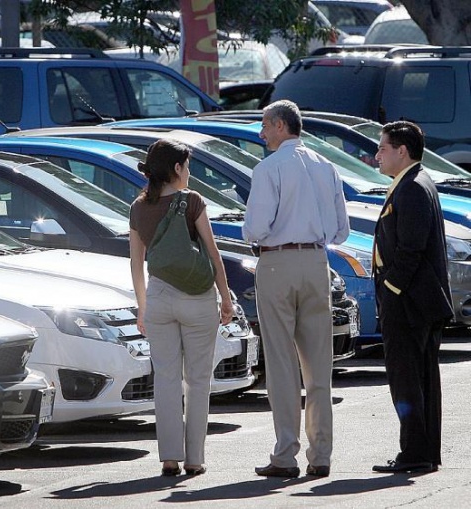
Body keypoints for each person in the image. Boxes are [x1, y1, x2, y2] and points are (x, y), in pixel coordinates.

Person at [243, 100, 350, 478]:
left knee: (282, 363)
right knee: (319, 365)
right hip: (317, 262)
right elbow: (342, 230)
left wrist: (260, 235)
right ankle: (320, 455)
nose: (262, 133)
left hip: (277, 263)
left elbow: (255, 228)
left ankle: (285, 454)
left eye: (264, 127)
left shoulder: (268, 167)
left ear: (278, 125)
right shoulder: (327, 166)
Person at [130, 138, 234, 477]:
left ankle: (170, 458)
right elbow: (213, 252)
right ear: (176, 168)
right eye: (187, 166)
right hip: (197, 297)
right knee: (198, 380)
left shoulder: (138, 207)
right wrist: (226, 296)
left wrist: (143, 307)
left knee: (166, 378)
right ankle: (194, 459)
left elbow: (136, 263)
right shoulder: (192, 201)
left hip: (159, 296)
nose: (189, 173)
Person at [371, 121, 453, 474]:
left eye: (383, 148)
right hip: (413, 302)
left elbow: (411, 250)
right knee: (417, 380)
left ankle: (415, 452)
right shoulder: (410, 183)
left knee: (408, 380)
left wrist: (390, 289)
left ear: (402, 151)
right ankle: (422, 451)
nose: (377, 155)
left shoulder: (413, 188)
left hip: (409, 304)